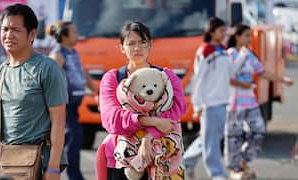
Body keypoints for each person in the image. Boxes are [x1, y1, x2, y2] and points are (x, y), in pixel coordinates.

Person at [98, 21, 187, 179]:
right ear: (122, 48)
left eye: (142, 42)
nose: (137, 48)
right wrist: (153, 122)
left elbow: (177, 109)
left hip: (163, 158)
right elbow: (111, 119)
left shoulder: (167, 77)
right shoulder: (112, 78)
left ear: (150, 44)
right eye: (131, 43)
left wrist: (148, 138)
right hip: (122, 158)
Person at [0, 4, 68, 180]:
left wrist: (53, 168)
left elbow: (58, 121)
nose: (8, 35)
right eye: (5, 29)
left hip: (40, 162)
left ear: (32, 34)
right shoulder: (1, 71)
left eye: (15, 30)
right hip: (8, 161)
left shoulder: (47, 68)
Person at [225, 24, 294, 179]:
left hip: (250, 102)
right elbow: (227, 76)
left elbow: (262, 72)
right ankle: (235, 168)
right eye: (246, 36)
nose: (250, 39)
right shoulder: (229, 54)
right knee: (234, 136)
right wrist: (243, 83)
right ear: (237, 37)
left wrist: (283, 80)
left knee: (258, 131)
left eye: (250, 36)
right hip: (235, 103)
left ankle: (242, 160)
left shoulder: (249, 54)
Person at [184, 17, 248, 180]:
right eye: (221, 30)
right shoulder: (205, 51)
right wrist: (197, 105)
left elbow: (230, 71)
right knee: (211, 141)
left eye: (225, 30)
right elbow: (198, 79)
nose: (225, 33)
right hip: (209, 103)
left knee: (209, 138)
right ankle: (217, 174)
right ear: (211, 32)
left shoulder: (222, 49)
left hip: (222, 101)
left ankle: (186, 162)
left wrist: (242, 56)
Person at [47, 21, 98, 180]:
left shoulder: (73, 52)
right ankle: (72, 176)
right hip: (64, 107)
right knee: (72, 141)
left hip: (74, 107)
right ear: (64, 35)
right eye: (74, 32)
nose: (77, 35)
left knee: (74, 140)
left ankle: (71, 174)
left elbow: (83, 74)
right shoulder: (57, 55)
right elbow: (50, 81)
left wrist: (98, 92)